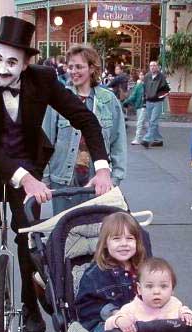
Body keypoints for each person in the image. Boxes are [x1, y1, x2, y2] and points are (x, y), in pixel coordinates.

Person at [0, 16, 112, 332]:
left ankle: (29, 303)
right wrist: (23, 178)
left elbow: (86, 119)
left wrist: (102, 168)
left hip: (27, 158)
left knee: (29, 236)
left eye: (12, 61)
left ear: (25, 64)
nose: (2, 67)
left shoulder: (44, 80)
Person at [43, 43, 127, 214]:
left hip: (97, 178)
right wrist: (45, 176)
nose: (74, 71)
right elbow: (46, 138)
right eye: (71, 67)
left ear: (91, 68)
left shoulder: (108, 100)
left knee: (94, 230)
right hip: (63, 177)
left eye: (79, 67)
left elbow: (118, 141)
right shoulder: (58, 98)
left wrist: (115, 176)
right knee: (63, 230)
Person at [141, 61, 170, 148]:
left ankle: (146, 139)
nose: (153, 67)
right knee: (151, 122)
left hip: (157, 102)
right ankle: (158, 140)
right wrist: (144, 100)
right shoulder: (147, 76)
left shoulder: (161, 77)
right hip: (149, 102)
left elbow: (166, 90)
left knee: (153, 121)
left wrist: (160, 97)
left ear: (157, 67)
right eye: (151, 65)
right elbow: (144, 88)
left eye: (154, 65)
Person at [123, 71, 146, 145]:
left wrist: (126, 102)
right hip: (140, 105)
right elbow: (134, 95)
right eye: (141, 74)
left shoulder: (141, 85)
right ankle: (148, 137)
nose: (142, 76)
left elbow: (133, 96)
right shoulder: (139, 85)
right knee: (142, 123)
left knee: (140, 123)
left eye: (143, 74)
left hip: (143, 105)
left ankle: (138, 138)